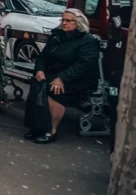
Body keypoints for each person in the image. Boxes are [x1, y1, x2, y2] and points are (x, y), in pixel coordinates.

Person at [25, 9, 98, 144]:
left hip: (77, 78)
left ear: (78, 23)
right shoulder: (57, 36)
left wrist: (62, 78)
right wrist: (39, 70)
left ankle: (51, 130)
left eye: (68, 21)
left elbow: (84, 65)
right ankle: (37, 126)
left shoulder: (86, 40)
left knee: (53, 90)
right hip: (55, 73)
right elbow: (43, 56)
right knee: (37, 85)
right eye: (63, 20)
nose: (64, 23)